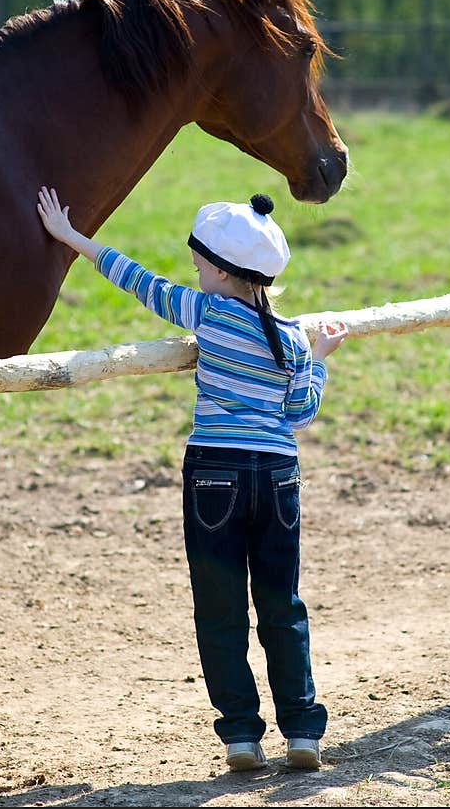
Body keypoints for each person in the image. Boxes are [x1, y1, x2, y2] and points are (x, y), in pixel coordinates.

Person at [37, 185, 348, 771]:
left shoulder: (207, 312)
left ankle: (240, 735)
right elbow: (301, 413)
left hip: (214, 476)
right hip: (278, 476)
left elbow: (134, 278)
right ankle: (303, 731)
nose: (194, 271)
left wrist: (72, 237)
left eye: (200, 262)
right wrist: (319, 359)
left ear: (224, 272)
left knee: (220, 606)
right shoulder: (291, 338)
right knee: (282, 603)